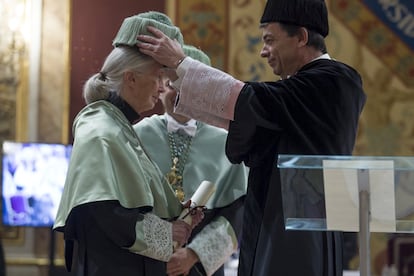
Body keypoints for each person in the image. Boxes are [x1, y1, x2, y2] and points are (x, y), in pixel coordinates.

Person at [136, 0, 367, 275]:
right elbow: (249, 112)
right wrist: (180, 73)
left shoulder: (335, 81)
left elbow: (251, 101)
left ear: (301, 37)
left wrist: (180, 64)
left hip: (297, 235)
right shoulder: (296, 93)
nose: (263, 52)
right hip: (278, 225)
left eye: (270, 40)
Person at [53, 14, 203, 276]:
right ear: (130, 78)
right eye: (158, 77)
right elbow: (103, 210)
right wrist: (167, 233)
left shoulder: (118, 124)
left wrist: (178, 220)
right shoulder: (99, 128)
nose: (161, 88)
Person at [133, 44, 247, 276]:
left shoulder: (227, 143)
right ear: (161, 86)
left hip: (199, 266)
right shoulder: (136, 135)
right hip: (145, 261)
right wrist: (157, 247)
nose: (179, 92)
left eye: (187, 85)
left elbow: (239, 213)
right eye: (171, 83)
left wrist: (194, 254)